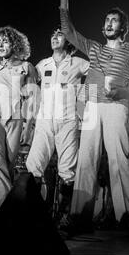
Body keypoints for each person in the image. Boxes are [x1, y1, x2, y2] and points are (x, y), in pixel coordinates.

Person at [59, 0, 129, 234]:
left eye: (114, 20)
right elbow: (69, 32)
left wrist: (120, 91)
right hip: (92, 107)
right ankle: (79, 216)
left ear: (123, 27)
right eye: (106, 20)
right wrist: (64, 1)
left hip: (116, 106)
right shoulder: (94, 48)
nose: (108, 23)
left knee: (119, 160)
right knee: (85, 161)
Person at [25, 28, 89, 211]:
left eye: (59, 34)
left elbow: (96, 77)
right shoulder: (42, 65)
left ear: (69, 40)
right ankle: (33, 214)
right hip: (44, 122)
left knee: (68, 171)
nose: (54, 37)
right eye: (52, 34)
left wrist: (84, 112)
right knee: (33, 167)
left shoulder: (78, 63)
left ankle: (63, 215)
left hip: (68, 121)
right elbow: (26, 81)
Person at [0, 26, 37, 210]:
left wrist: (29, 125)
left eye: (5, 41)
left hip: (16, 118)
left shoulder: (27, 67)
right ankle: (6, 208)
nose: (1, 45)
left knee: (8, 162)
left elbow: (33, 100)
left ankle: (8, 207)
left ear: (15, 44)